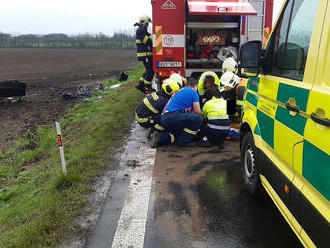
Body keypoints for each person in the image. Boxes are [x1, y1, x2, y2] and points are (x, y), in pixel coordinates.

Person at [150, 78, 203, 147]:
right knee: (198, 118)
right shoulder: (193, 92)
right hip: (172, 116)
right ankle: (183, 142)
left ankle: (159, 138)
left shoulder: (181, 91)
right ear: (195, 86)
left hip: (166, 118)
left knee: (177, 134)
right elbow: (197, 111)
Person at [134, 15, 154, 93]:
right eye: (147, 24)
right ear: (143, 23)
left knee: (148, 70)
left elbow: (148, 36)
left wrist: (152, 36)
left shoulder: (142, 30)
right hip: (145, 55)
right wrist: (153, 38)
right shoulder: (140, 31)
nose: (147, 25)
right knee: (150, 71)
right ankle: (148, 87)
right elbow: (147, 41)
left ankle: (141, 85)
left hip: (146, 55)